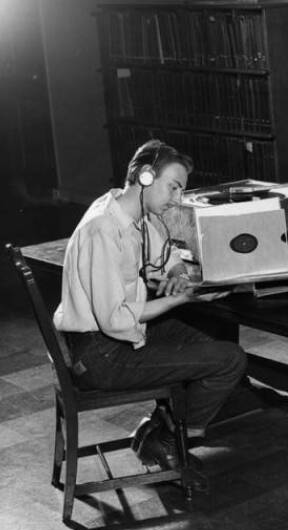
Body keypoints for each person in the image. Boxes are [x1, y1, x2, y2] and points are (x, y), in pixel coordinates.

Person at [53, 139, 247, 470]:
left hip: (112, 341)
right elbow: (116, 318)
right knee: (231, 360)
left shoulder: (127, 211)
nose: (177, 199)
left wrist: (177, 274)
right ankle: (172, 439)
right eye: (173, 188)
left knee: (207, 343)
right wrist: (180, 298)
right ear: (145, 177)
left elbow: (165, 255)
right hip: (100, 355)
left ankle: (160, 425)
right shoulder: (102, 228)